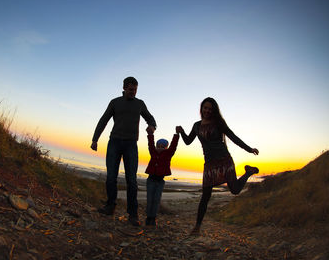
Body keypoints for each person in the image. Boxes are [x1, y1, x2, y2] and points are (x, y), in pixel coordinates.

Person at [176, 97, 259, 235]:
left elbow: (233, 137)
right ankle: (197, 227)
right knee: (205, 196)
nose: (207, 110)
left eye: (210, 108)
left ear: (213, 110)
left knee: (235, 190)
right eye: (205, 108)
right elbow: (188, 141)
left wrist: (249, 149)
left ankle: (248, 173)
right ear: (201, 108)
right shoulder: (196, 125)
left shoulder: (218, 123)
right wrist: (182, 132)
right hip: (209, 164)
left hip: (224, 161)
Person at [91, 77, 156, 226]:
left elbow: (150, 118)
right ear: (124, 88)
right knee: (111, 177)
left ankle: (133, 215)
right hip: (114, 142)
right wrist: (95, 139)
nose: (133, 92)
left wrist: (152, 126)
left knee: (132, 181)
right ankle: (110, 206)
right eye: (131, 89)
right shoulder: (115, 102)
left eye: (135, 89)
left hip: (131, 145)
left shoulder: (140, 104)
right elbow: (103, 120)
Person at [145, 127, 179, 226]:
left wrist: (177, 134)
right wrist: (150, 134)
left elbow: (174, 146)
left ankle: (153, 218)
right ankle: (148, 218)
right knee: (149, 199)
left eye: (162, 146)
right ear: (156, 146)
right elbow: (150, 143)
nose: (159, 147)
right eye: (158, 145)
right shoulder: (153, 152)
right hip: (150, 180)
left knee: (156, 200)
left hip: (160, 182)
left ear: (166, 147)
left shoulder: (168, 154)